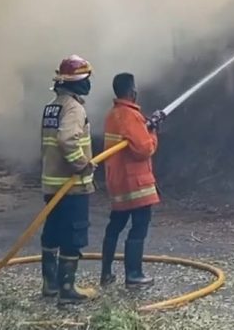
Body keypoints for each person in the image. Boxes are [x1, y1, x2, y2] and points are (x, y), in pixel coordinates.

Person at [40, 55, 97, 305]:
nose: (89, 84)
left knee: (52, 233)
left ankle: (50, 285)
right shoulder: (74, 108)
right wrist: (82, 164)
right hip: (71, 186)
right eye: (87, 79)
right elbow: (67, 140)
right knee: (73, 236)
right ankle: (67, 289)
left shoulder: (53, 106)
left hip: (52, 184)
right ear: (77, 82)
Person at [99, 73, 159, 287]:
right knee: (139, 226)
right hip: (136, 184)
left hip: (119, 182)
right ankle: (134, 275)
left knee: (115, 226)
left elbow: (131, 140)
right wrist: (153, 133)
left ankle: (106, 273)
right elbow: (143, 149)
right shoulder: (130, 115)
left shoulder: (112, 115)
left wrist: (148, 126)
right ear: (132, 91)